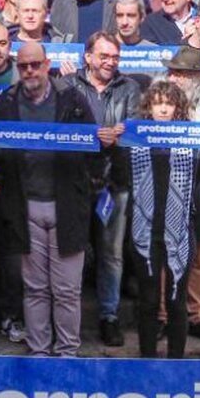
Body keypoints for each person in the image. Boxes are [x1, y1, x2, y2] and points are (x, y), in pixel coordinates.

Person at [0, 42, 96, 357]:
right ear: (17, 68)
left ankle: (68, 354)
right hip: (24, 206)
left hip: (66, 206)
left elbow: (92, 150)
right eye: (24, 66)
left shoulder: (72, 100)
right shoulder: (4, 104)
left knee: (66, 290)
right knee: (34, 289)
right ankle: (38, 351)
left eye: (35, 65)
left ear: (47, 65)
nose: (30, 71)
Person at [124, 79, 200, 358]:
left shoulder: (191, 142)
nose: (162, 109)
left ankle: (176, 365)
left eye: (168, 104)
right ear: (148, 107)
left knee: (176, 301)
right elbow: (117, 175)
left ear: (178, 108)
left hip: (181, 231)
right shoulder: (134, 140)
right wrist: (115, 140)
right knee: (148, 301)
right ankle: (147, 361)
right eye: (157, 103)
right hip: (144, 229)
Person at [70, 32, 141, 346]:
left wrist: (125, 133)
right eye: (104, 56)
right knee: (72, 252)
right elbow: (61, 129)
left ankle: (109, 316)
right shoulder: (68, 86)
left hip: (115, 181)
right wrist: (91, 136)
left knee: (111, 255)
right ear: (88, 57)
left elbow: (139, 127)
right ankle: (67, 317)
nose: (110, 62)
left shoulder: (130, 88)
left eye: (114, 57)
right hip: (76, 181)